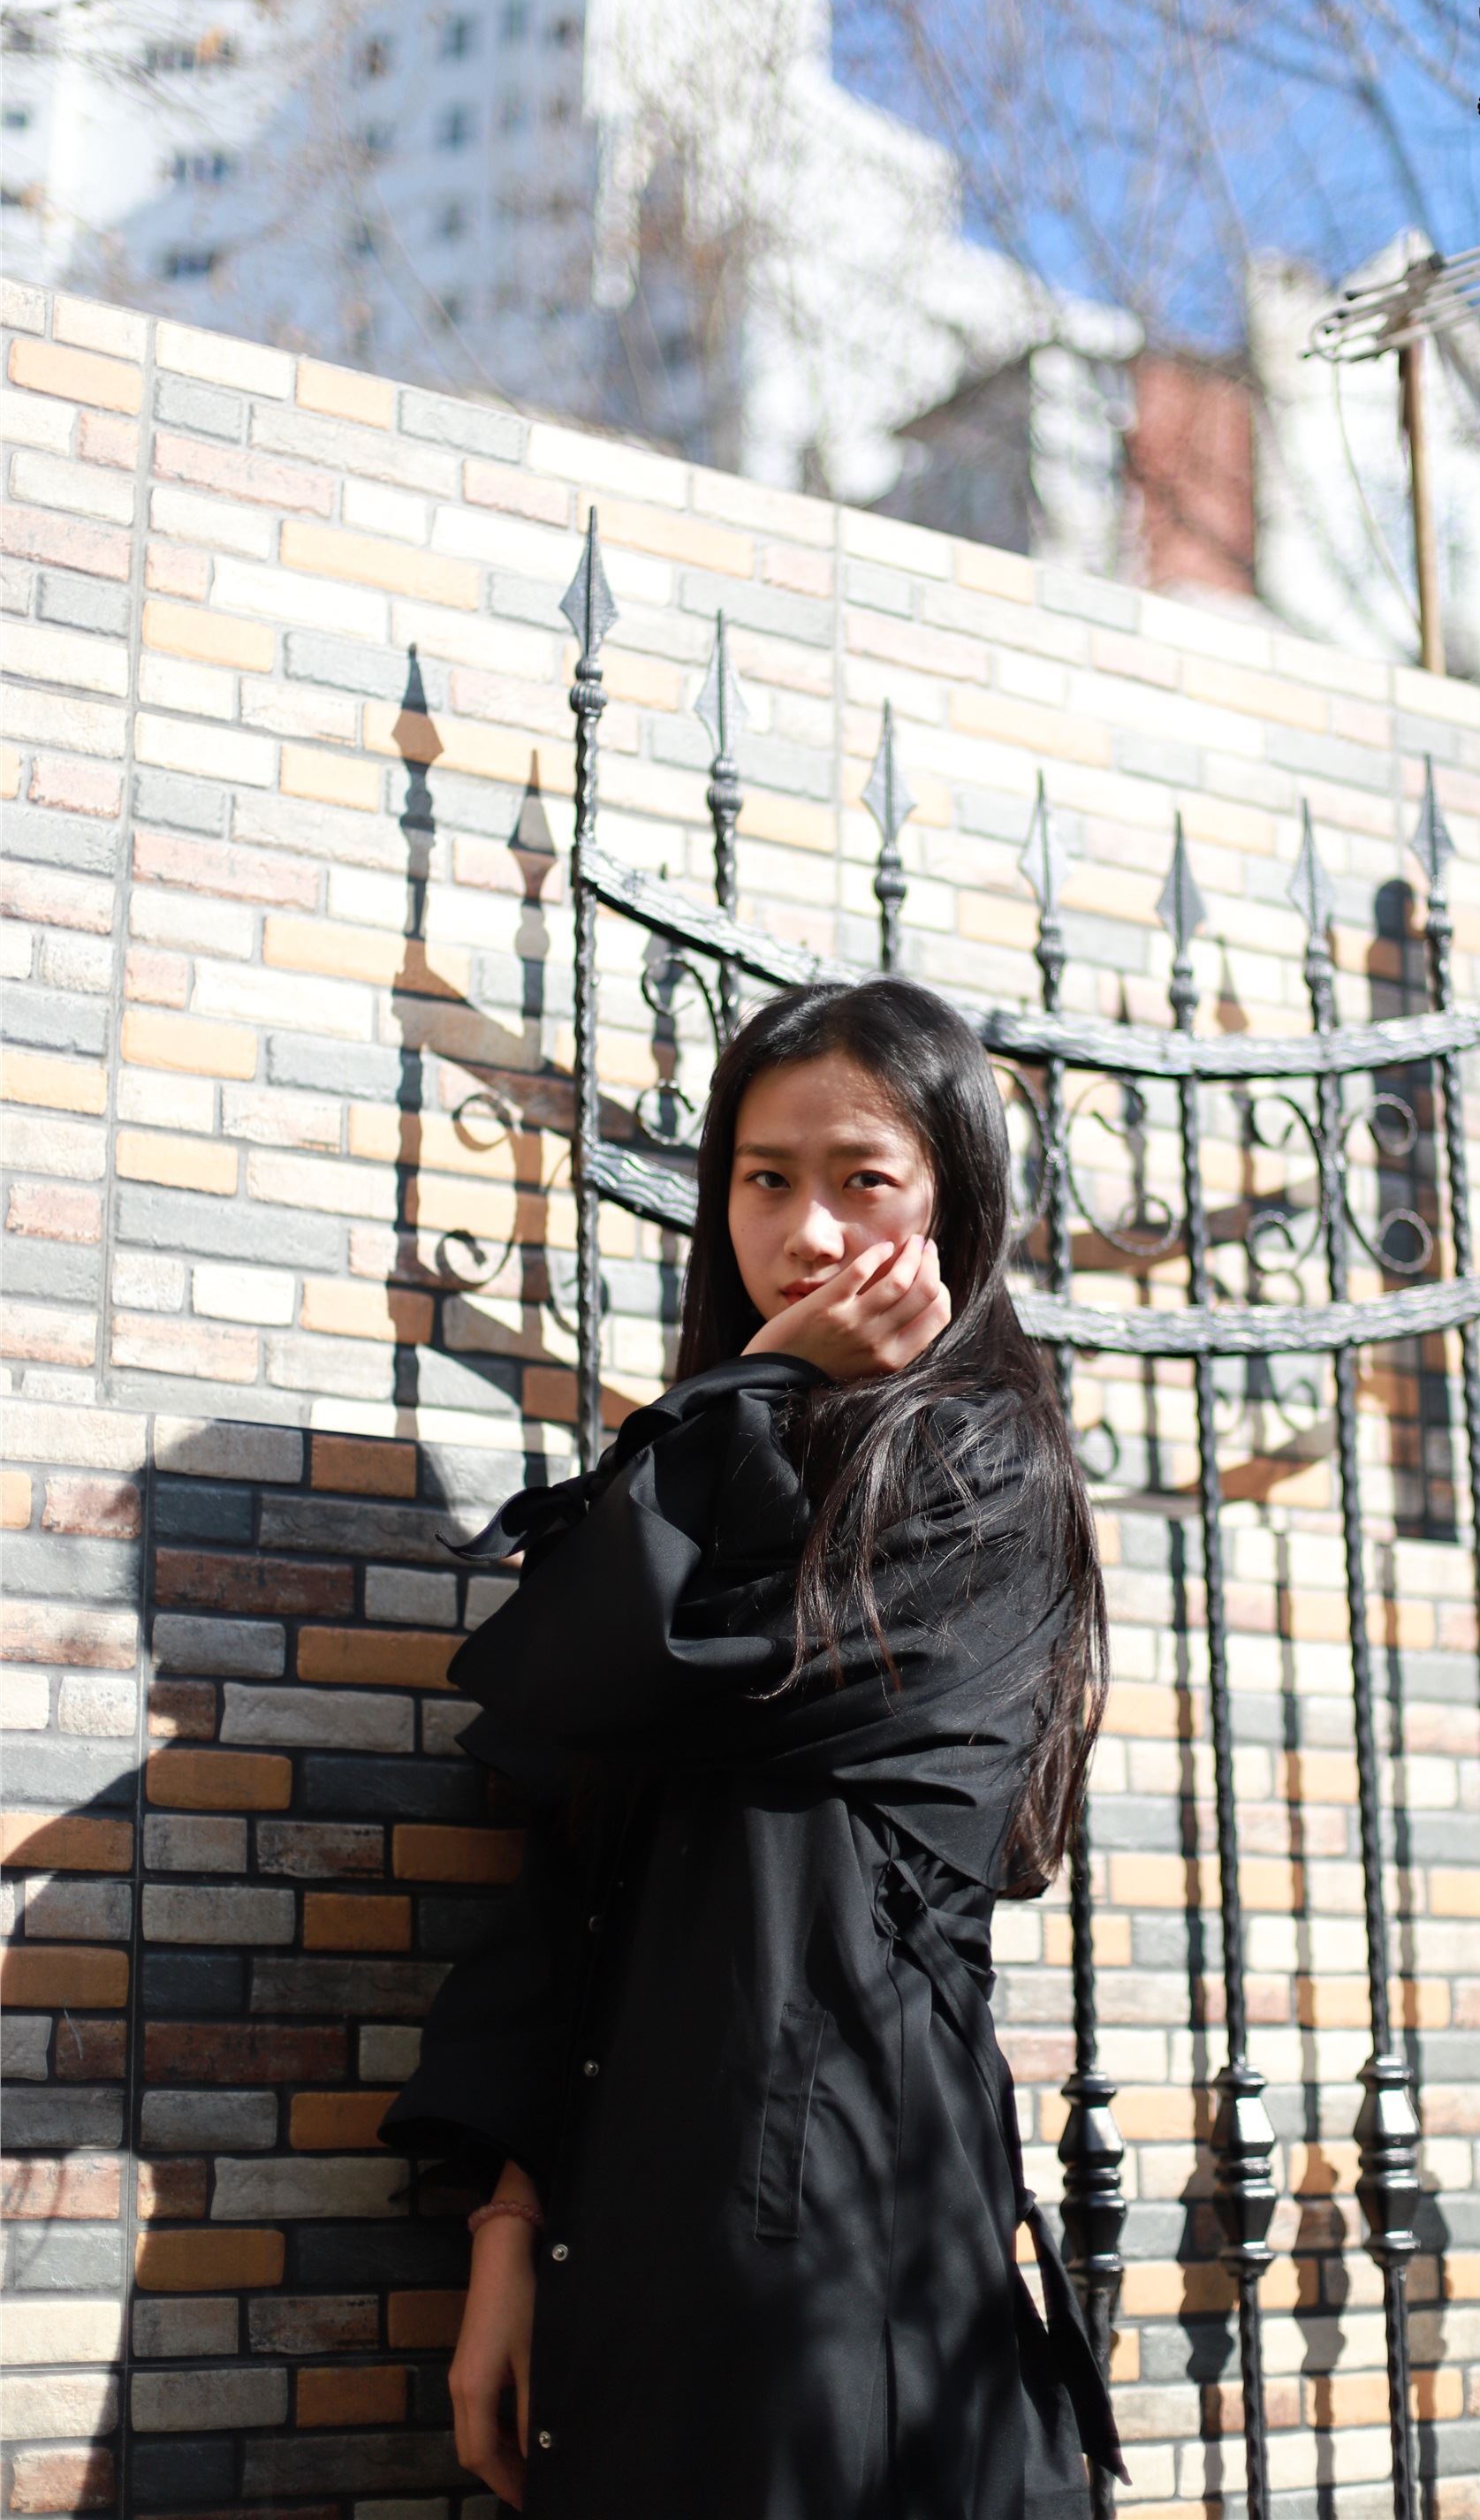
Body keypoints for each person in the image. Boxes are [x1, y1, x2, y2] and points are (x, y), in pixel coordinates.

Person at [377, 975, 1127, 2516]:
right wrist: (509, 2225)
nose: (809, 1236)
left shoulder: (985, 1480)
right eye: (764, 1180)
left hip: (840, 2257)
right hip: (626, 2246)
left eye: (865, 1182)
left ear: (956, 1208)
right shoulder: (726, 1456)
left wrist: (747, 1395)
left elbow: (599, 1676)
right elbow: (574, 1822)